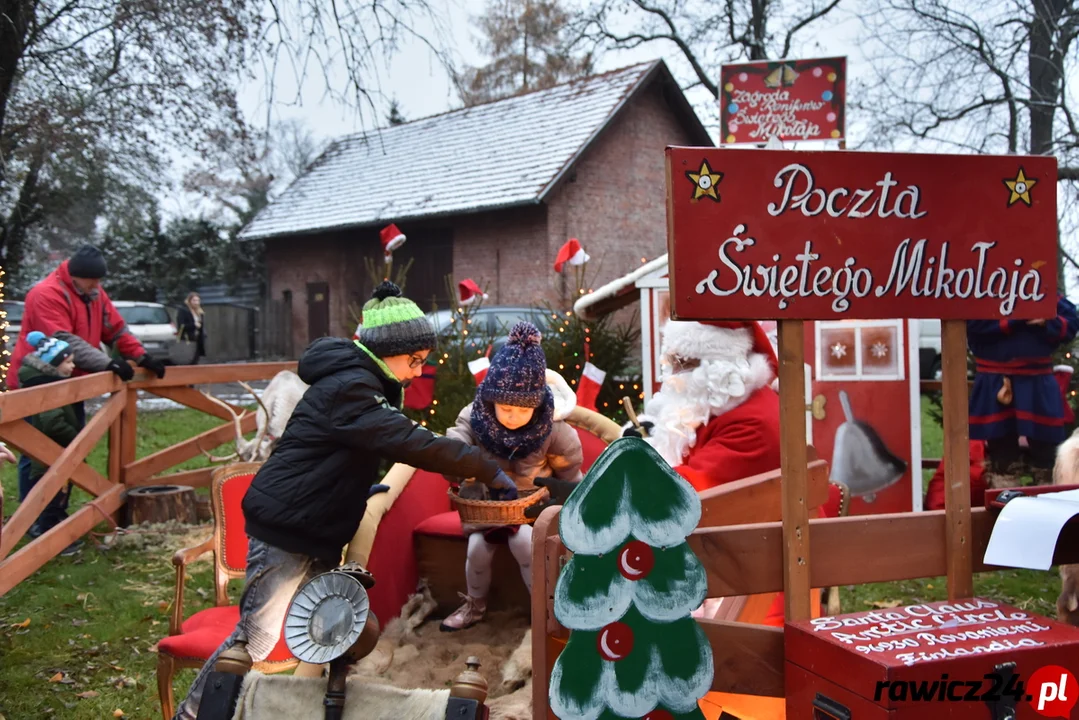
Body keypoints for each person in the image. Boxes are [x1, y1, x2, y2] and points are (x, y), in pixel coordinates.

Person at [174, 281, 518, 720]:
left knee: (319, 630)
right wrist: (484, 466)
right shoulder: (351, 389)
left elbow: (345, 450)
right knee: (255, 638)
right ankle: (194, 713)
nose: (416, 372)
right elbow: (406, 441)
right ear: (386, 351)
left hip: (314, 524)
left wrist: (358, 489)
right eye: (413, 361)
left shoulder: (360, 384)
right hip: (288, 525)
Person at [623, 319, 842, 625]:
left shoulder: (752, 422)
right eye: (670, 362)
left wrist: (626, 475)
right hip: (736, 565)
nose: (672, 375)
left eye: (683, 364)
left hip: (758, 589)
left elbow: (689, 494)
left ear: (718, 366)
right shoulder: (723, 406)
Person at [8, 246, 167, 541]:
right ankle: (34, 522)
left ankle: (55, 515)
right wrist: (107, 363)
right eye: (91, 281)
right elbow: (63, 341)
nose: (97, 287)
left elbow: (116, 330)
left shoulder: (94, 293)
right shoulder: (45, 294)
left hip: (71, 383)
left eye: (98, 282)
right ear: (74, 277)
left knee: (69, 451)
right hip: (39, 384)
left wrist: (141, 356)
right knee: (38, 454)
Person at [440, 322, 584, 631]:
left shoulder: (553, 430)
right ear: (491, 400)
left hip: (532, 510)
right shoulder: (474, 417)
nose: (512, 416)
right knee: (477, 550)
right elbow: (455, 443)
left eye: (522, 411)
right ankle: (474, 607)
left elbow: (571, 474)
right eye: (505, 408)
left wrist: (569, 498)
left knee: (523, 544)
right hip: (487, 507)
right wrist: (455, 456)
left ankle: (544, 610)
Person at [968, 293, 1079, 488]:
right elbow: (968, 322)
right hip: (995, 381)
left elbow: (1071, 320)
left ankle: (1051, 503)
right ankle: (1004, 506)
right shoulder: (981, 290)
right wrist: (1016, 317)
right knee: (1002, 457)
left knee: (1048, 453)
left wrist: (1048, 319)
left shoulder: (1038, 288)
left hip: (1038, 383)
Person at [17, 332, 83, 553]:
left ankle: (55, 533)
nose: (73, 366)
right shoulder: (48, 388)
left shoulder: (52, 381)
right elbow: (51, 423)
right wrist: (77, 438)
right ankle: (51, 540)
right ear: (54, 364)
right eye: (68, 362)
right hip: (50, 452)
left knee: (59, 494)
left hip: (56, 450)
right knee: (53, 496)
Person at [175, 291, 206, 364]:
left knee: (196, 360)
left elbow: (201, 326)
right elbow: (181, 325)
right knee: (188, 360)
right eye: (194, 300)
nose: (196, 302)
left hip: (197, 339)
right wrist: (194, 325)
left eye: (198, 300)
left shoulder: (200, 311)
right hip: (187, 339)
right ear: (189, 301)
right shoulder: (183, 310)